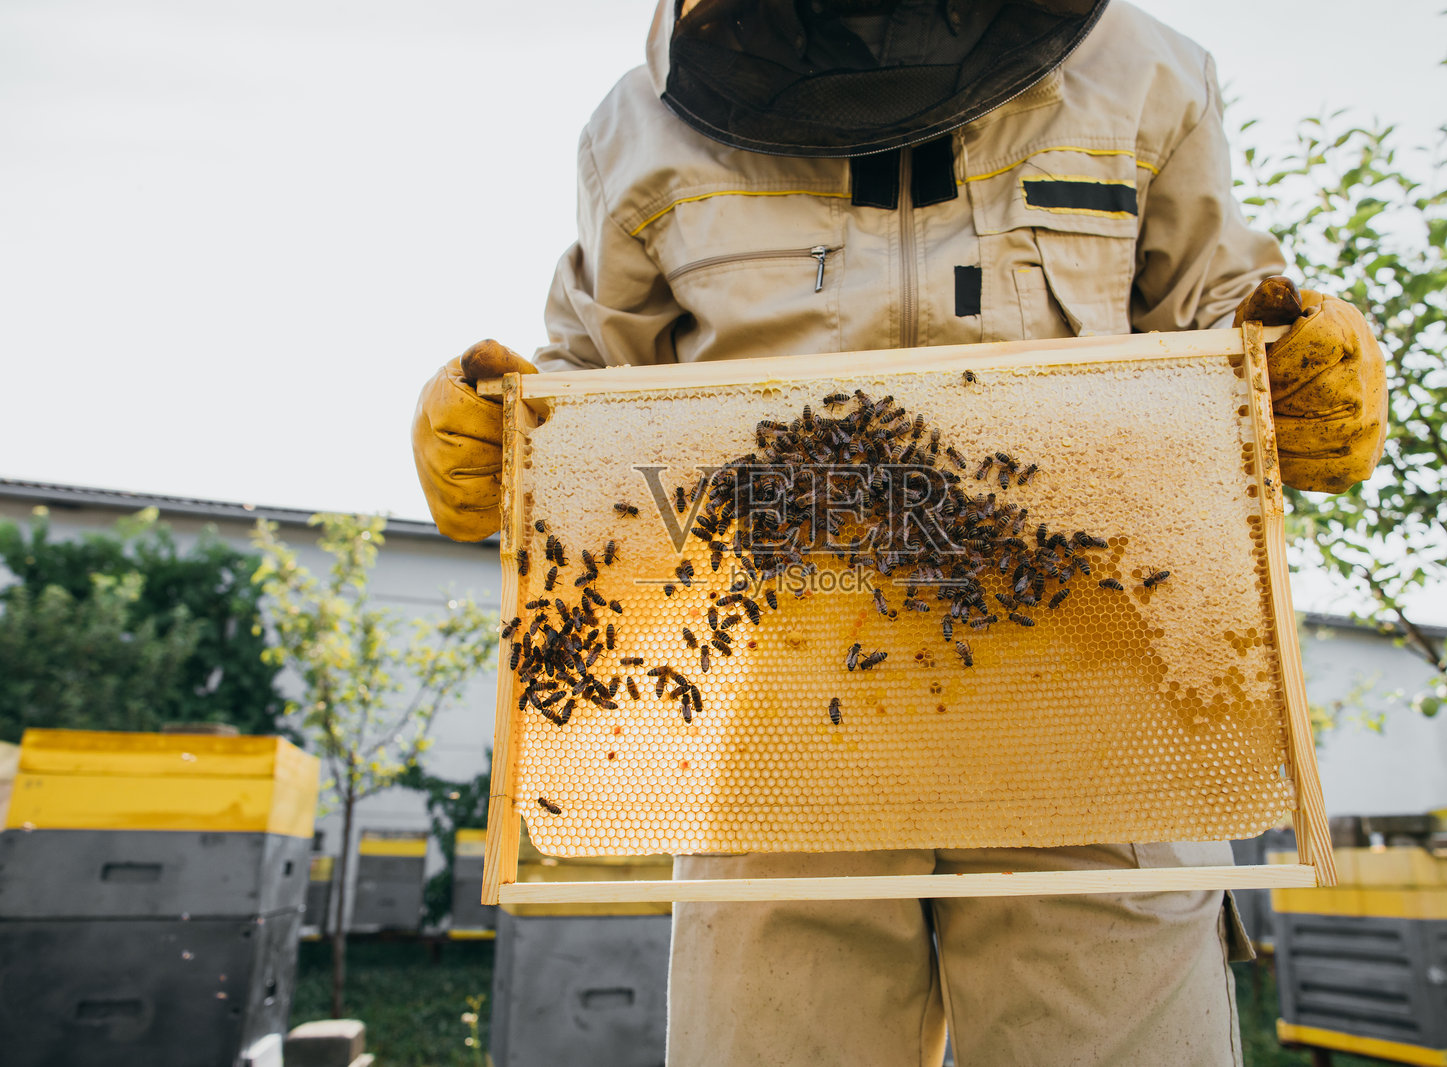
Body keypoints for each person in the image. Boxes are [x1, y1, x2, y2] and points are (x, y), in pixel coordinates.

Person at [412, 2, 1388, 1063]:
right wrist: (506, 438)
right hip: (779, 730)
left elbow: (1221, 316)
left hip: (1093, 710)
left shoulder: (1142, 71)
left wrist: (1299, 355)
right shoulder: (639, 126)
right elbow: (599, 384)